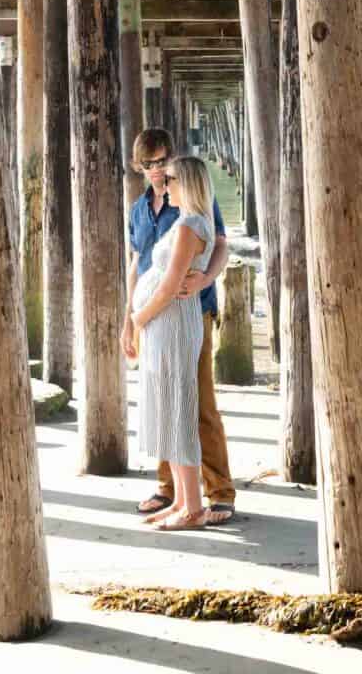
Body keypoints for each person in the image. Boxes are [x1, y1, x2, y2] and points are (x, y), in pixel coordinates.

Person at [120, 128, 236, 525]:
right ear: (139, 167)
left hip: (189, 310)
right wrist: (129, 320)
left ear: (173, 161)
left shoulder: (189, 201)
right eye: (149, 164)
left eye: (162, 162)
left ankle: (218, 492)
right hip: (153, 318)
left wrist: (205, 280)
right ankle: (171, 489)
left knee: (198, 403)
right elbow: (139, 264)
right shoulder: (139, 210)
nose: (157, 171)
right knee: (164, 401)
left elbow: (220, 242)